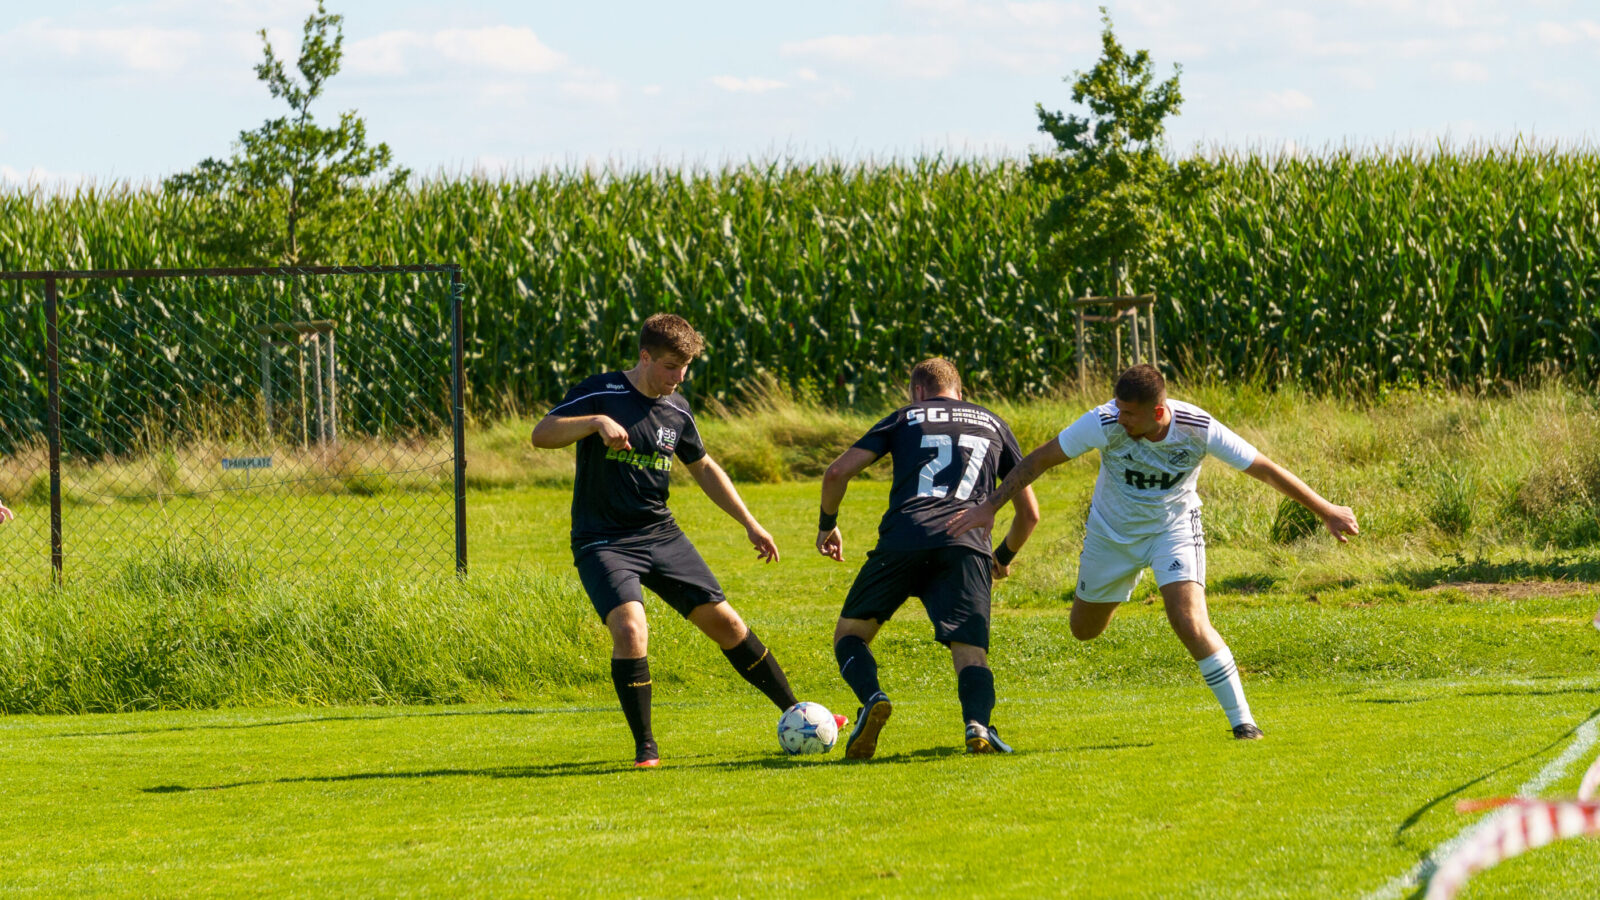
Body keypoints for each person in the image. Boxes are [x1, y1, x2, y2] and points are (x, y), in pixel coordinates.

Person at [948, 364, 1359, 740]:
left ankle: (1244, 723)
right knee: (1083, 630)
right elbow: (1040, 459)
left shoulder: (1198, 428)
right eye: (1118, 408)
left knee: (1188, 620)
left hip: (1172, 530)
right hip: (1111, 535)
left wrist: (1327, 510)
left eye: (1129, 413)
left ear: (1159, 412)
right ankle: (1125, 580)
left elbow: (1265, 468)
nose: (1120, 418)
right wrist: (990, 506)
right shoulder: (1103, 421)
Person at [532, 313, 837, 767]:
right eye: (671, 367)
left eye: (686, 368)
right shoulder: (601, 392)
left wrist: (750, 523)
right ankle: (646, 747)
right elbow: (541, 435)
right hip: (603, 540)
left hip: (660, 534)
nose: (679, 378)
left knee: (728, 625)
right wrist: (595, 423)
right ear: (645, 357)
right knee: (630, 629)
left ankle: (798, 712)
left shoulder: (677, 410)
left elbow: (705, 467)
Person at [818, 358, 1040, 759]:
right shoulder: (993, 423)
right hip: (965, 543)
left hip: (903, 539)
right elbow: (1030, 514)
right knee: (970, 651)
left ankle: (873, 698)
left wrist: (827, 524)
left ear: (917, 391)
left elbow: (836, 473)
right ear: (960, 392)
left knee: (850, 635)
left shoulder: (904, 417)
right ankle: (977, 726)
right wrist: (1002, 556)